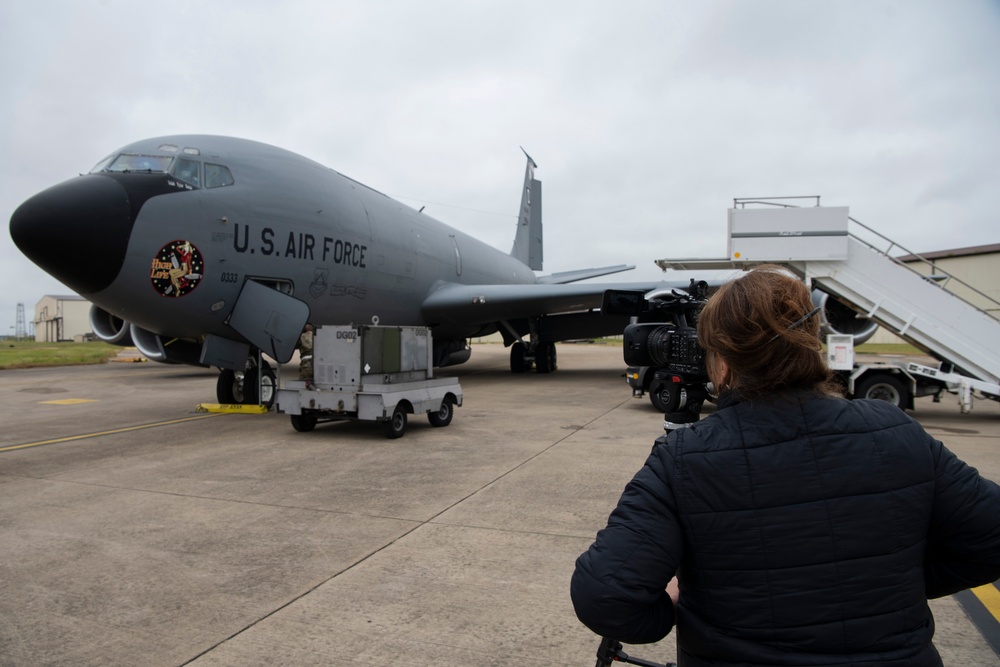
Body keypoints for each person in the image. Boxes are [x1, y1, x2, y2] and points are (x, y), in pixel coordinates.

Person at [571, 265, 1000, 667]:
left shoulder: (685, 457)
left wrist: (674, 613)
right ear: (812, 340)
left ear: (721, 362)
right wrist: (891, 585)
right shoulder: (895, 430)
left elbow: (605, 597)